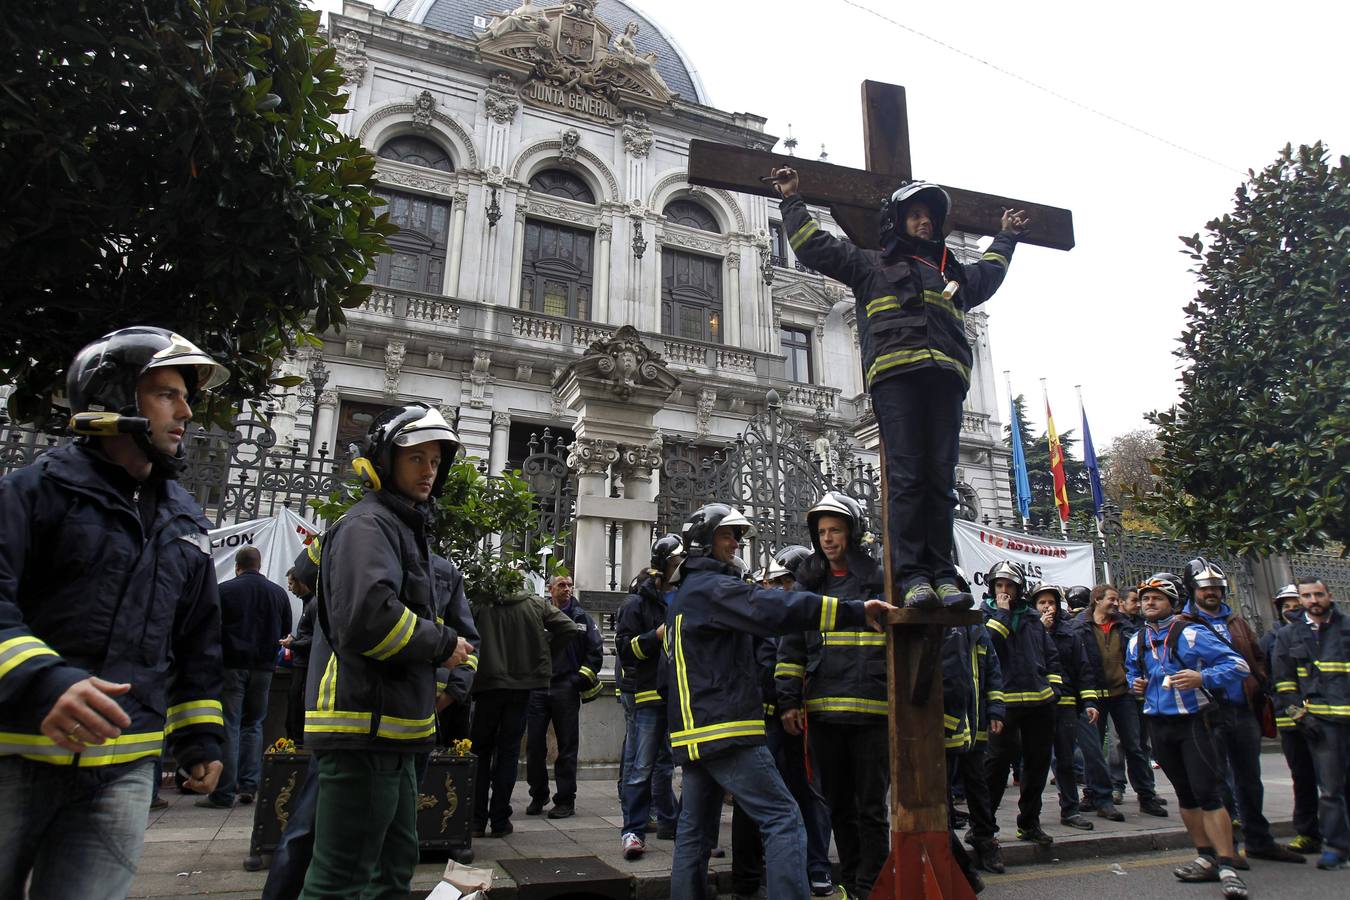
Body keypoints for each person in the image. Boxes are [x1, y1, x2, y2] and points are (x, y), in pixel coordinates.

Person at [0, 326, 228, 899]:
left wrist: (199, 735)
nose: (186, 412)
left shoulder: (185, 523)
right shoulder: (30, 494)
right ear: (115, 398)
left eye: (186, 396)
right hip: (14, 755)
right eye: (166, 394)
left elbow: (197, 641)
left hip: (125, 769)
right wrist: (45, 683)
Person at [771, 166, 1026, 609]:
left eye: (930, 216)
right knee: (907, 479)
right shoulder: (871, 263)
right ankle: (912, 577)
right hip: (896, 379)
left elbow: (989, 273)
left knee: (941, 482)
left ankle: (943, 574)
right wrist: (792, 199)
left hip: (945, 381)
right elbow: (816, 246)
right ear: (898, 220)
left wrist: (1006, 237)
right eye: (915, 215)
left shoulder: (954, 275)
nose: (924, 221)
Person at [667, 503, 891, 900]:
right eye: (727, 535)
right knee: (783, 817)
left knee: (694, 832)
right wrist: (852, 611)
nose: (737, 543)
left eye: (738, 535)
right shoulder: (713, 589)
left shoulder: (687, 593)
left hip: (693, 734)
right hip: (726, 731)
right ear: (702, 543)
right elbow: (774, 607)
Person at [298, 403, 472, 899]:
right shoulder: (367, 526)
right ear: (385, 460)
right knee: (343, 878)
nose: (429, 471)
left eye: (435, 462)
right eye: (416, 458)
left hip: (397, 730)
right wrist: (442, 645)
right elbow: (369, 620)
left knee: (393, 868)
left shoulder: (402, 528)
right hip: (362, 728)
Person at [261, 549, 477, 900]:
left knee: (394, 845)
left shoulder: (442, 570)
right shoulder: (359, 538)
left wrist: (449, 689)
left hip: (411, 721)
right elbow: (307, 573)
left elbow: (467, 640)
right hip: (352, 721)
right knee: (311, 830)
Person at [776, 492, 889, 897]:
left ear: (852, 533)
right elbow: (791, 646)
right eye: (821, 531)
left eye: (835, 530)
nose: (827, 539)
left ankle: (872, 882)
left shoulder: (878, 578)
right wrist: (788, 701)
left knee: (871, 807)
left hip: (874, 710)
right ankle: (855, 876)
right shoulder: (809, 583)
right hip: (824, 711)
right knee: (839, 805)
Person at [1125, 573, 1251, 898]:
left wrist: (1202, 677)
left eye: (1157, 597)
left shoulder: (1191, 633)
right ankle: (1205, 857)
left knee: (1208, 793)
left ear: (1173, 602)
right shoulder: (1137, 640)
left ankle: (1227, 865)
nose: (1148, 602)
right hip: (1157, 724)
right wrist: (1134, 684)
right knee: (1185, 796)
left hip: (1192, 722)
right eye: (1145, 598)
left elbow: (1239, 666)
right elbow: (1132, 672)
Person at [1182, 557, 1303, 864]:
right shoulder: (1183, 623)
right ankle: (1227, 847)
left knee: (1250, 778)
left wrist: (1259, 683)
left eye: (1217, 588)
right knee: (1217, 781)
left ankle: (1260, 840)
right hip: (1208, 713)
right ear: (1192, 589)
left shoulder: (1237, 620)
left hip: (1242, 709)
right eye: (1205, 588)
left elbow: (1257, 656)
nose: (1212, 593)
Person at [470, 568, 582, 838]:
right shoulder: (534, 604)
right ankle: (499, 819)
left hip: (486, 686)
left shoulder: (481, 604)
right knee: (508, 752)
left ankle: (475, 820)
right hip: (521, 687)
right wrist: (545, 652)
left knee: (481, 752)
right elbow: (567, 627)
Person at [198, 546, 292, 810]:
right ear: (259, 565)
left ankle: (223, 792)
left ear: (238, 566)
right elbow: (284, 629)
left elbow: (211, 627)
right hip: (263, 667)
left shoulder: (225, 590)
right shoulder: (277, 592)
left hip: (231, 664)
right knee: (254, 724)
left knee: (230, 724)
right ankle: (249, 784)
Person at [981, 562, 1063, 848]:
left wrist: (1053, 687)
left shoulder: (1031, 617)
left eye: (1010, 586)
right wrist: (1002, 614)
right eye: (999, 585)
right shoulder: (985, 615)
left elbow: (1049, 654)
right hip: (1004, 703)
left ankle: (1029, 823)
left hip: (1039, 703)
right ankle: (984, 828)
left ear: (1019, 588)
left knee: (1038, 765)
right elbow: (988, 645)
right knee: (996, 765)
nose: (1004, 591)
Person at [1272, 578, 1350, 871]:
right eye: (1307, 595)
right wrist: (1300, 716)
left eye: (1318, 594)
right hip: (1321, 723)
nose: (1313, 599)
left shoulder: (1346, 627)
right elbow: (1284, 681)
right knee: (1330, 789)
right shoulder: (1290, 635)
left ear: (1329, 595)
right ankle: (1336, 847)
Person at [614, 535, 683, 861]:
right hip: (649, 696)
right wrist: (655, 636)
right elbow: (626, 651)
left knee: (672, 766)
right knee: (641, 766)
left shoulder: (686, 597)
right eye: (676, 561)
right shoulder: (637, 604)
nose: (682, 566)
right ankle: (633, 831)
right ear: (664, 563)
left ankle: (676, 825)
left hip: (682, 695)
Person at [1075, 583, 1167, 820]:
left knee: (1134, 747)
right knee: (1093, 750)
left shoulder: (1127, 627)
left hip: (1122, 695)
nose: (1116, 603)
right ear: (1097, 600)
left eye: (1117, 600)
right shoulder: (1079, 627)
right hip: (1093, 697)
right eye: (1112, 599)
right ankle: (1096, 796)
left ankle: (1147, 797)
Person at [526, 574, 604, 820]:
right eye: (562, 585)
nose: (568, 589)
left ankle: (565, 800)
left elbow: (595, 651)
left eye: (570, 585)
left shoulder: (582, 618)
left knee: (567, 747)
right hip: (539, 686)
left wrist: (577, 680)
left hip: (565, 688)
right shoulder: (540, 615)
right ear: (550, 589)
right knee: (534, 746)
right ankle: (539, 794)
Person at [943, 568, 1004, 880]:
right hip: (947, 725)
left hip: (976, 722)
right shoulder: (936, 625)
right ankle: (955, 860)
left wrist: (996, 710)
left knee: (977, 787)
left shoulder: (975, 626)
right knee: (940, 794)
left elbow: (992, 669)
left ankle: (984, 840)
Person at [1259, 584, 1322, 855]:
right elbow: (1267, 675)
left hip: (1328, 717)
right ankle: (1308, 833)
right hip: (1292, 720)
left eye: (1296, 603)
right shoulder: (1273, 638)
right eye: (1286, 605)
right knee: (1303, 776)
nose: (1292, 609)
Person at [1032, 584, 1100, 831]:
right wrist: (1041, 631)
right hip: (1037, 706)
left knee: (1066, 760)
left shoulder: (1070, 633)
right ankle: (1030, 816)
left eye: (1051, 602)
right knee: (1036, 762)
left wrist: (1090, 702)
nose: (1047, 607)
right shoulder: (1030, 631)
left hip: (1066, 705)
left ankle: (1070, 810)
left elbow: (1083, 669)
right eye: (1042, 603)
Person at [281, 547, 319, 747]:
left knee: (298, 703)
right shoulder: (308, 604)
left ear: (300, 582)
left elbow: (315, 638)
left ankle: (298, 741)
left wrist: (293, 643)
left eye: (290, 583)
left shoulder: (313, 605)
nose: (289, 588)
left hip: (304, 665)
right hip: (301, 663)